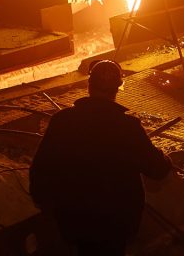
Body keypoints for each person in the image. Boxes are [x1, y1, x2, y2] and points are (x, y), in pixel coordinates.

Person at [30, 59, 171, 255]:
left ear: (89, 85)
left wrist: (50, 208)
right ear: (118, 88)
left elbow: (39, 172)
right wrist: (163, 156)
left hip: (74, 219)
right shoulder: (127, 126)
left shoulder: (62, 121)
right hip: (117, 222)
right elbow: (158, 170)